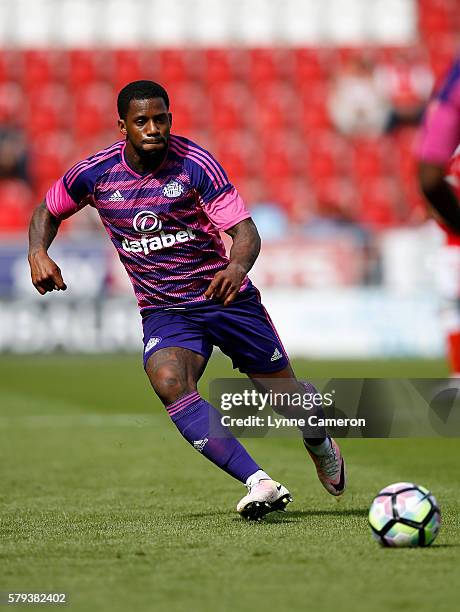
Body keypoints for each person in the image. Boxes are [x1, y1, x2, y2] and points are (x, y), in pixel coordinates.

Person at [28, 80, 346, 520]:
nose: (153, 128)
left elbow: (245, 232)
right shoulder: (95, 173)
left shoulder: (196, 164)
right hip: (165, 310)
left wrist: (235, 268)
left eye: (160, 119)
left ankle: (318, 440)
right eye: (142, 121)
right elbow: (47, 208)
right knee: (168, 381)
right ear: (123, 126)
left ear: (170, 120)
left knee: (286, 397)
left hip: (224, 297)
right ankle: (260, 482)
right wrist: (38, 251)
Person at [417, 57, 460, 376]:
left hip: (451, 248)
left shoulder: (445, 163)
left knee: (451, 313)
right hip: (450, 248)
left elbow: (429, 187)